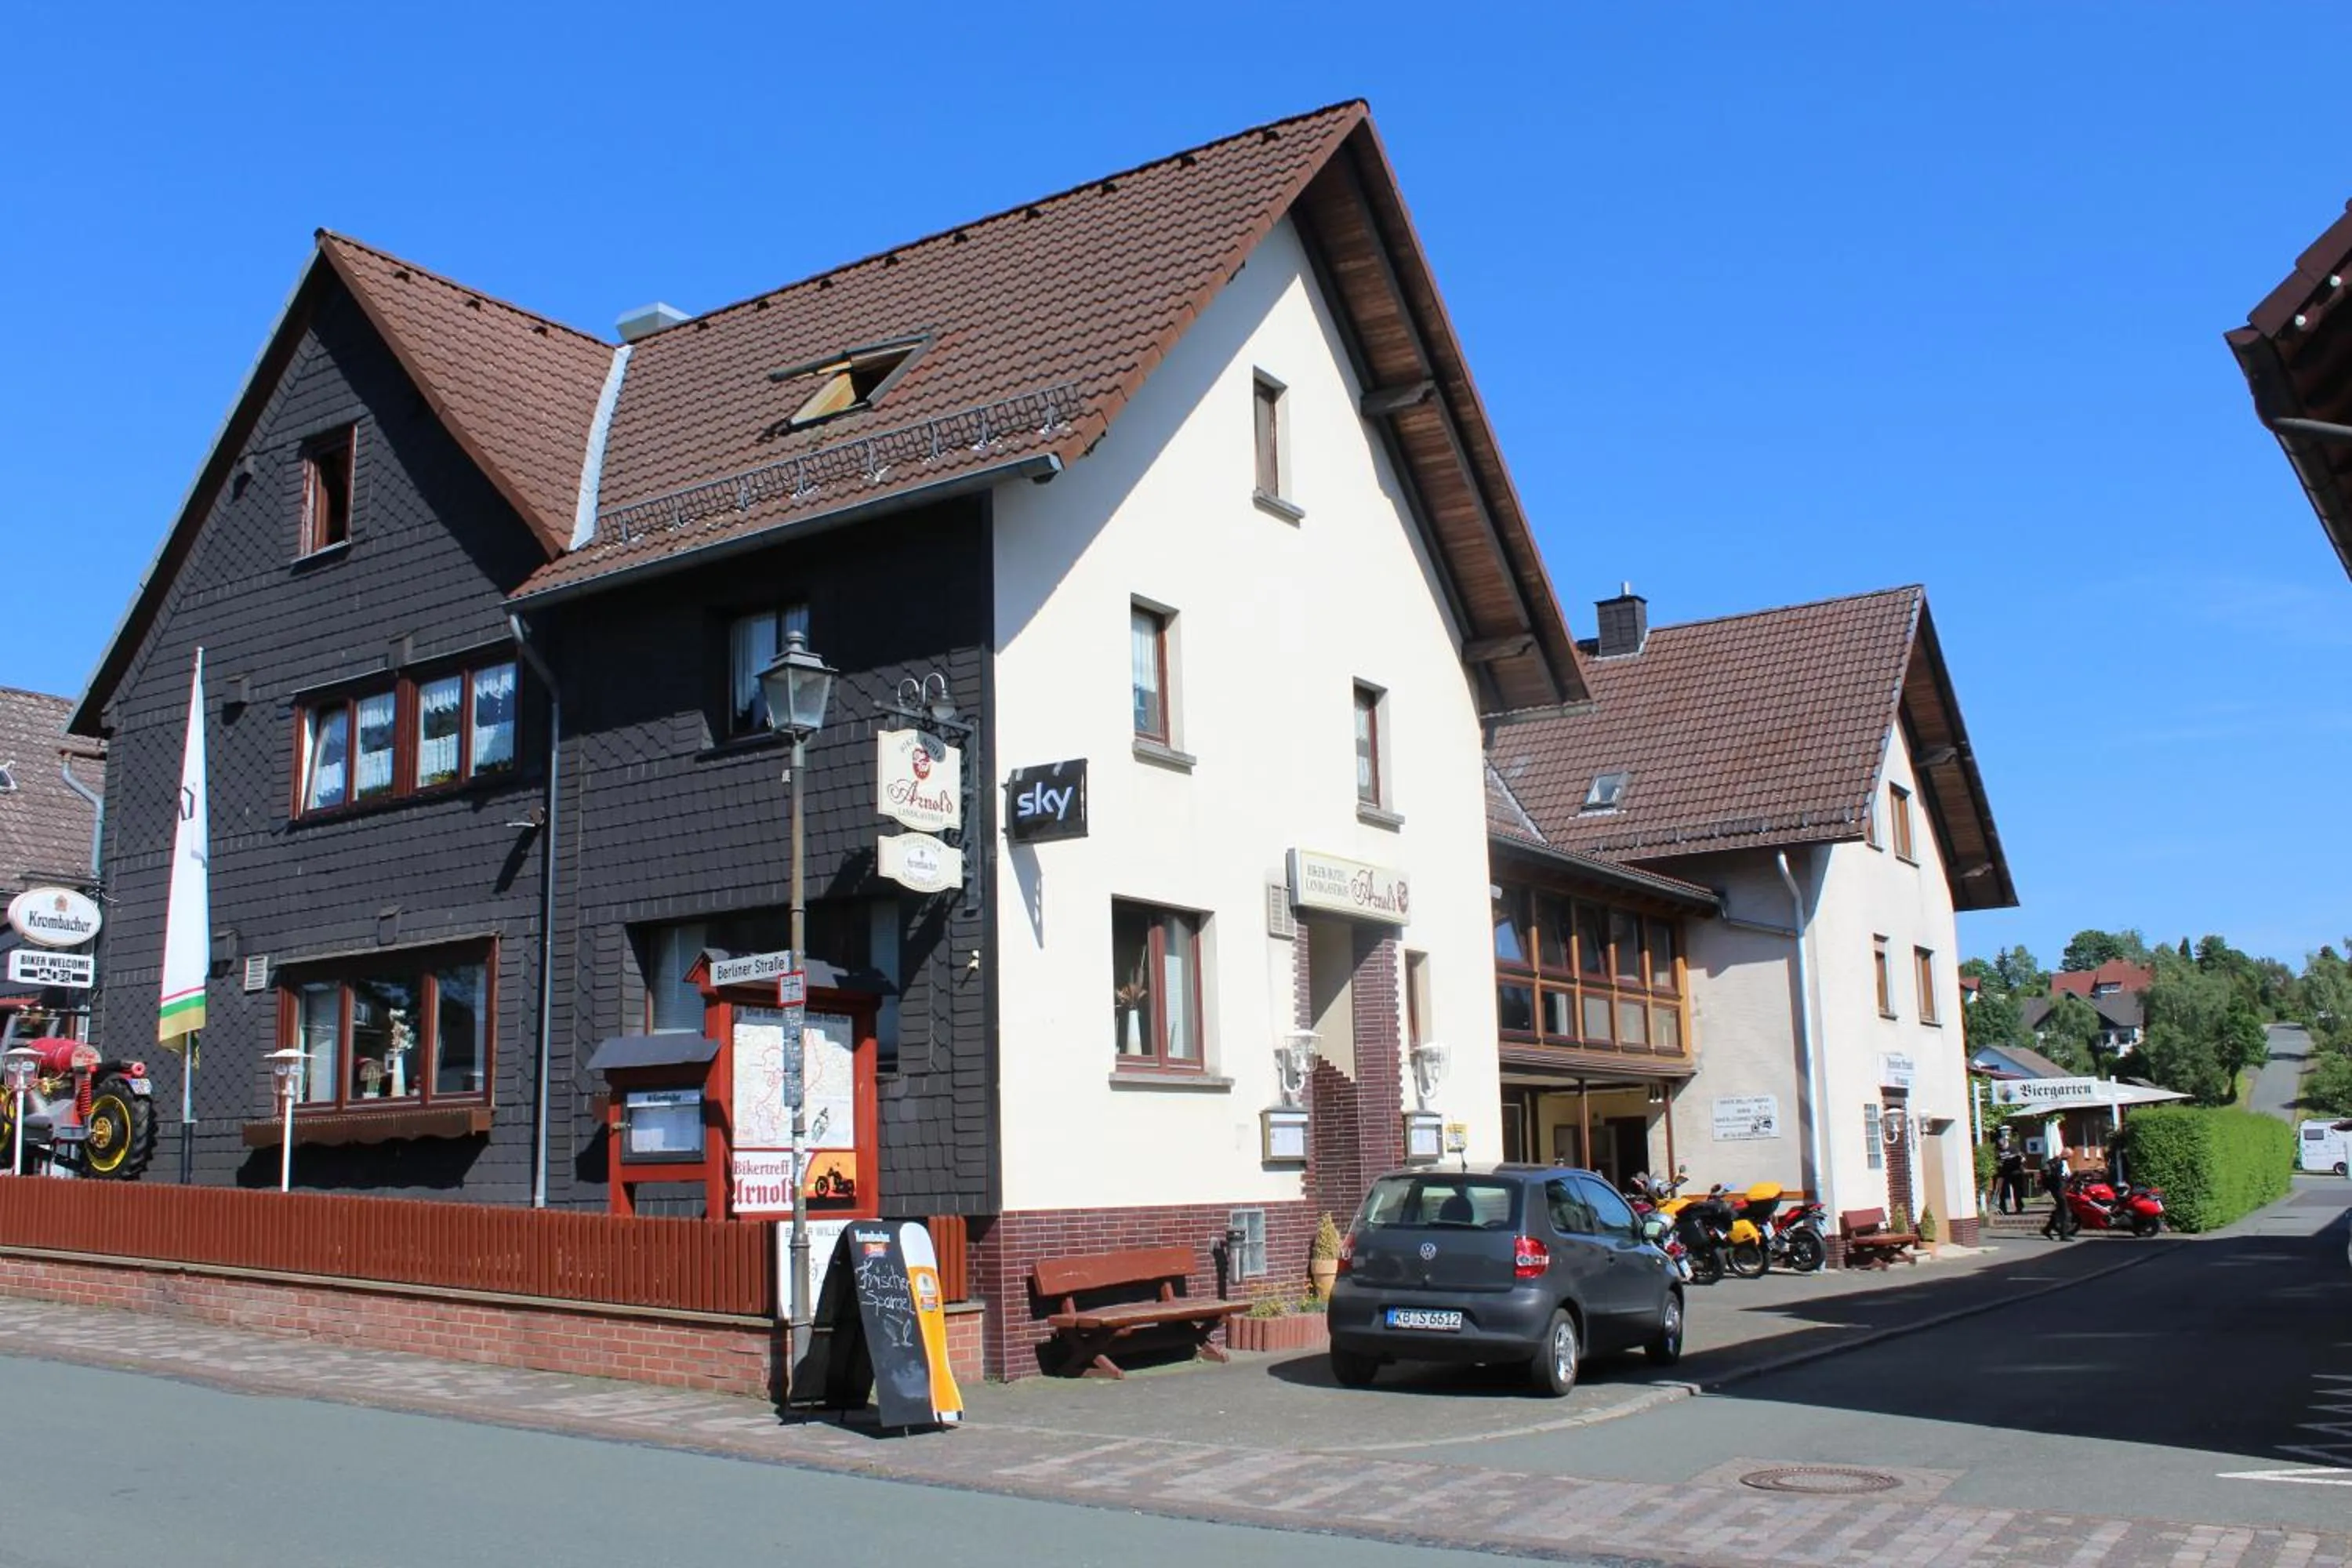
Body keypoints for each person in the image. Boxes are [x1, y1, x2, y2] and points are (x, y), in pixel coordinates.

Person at [2038, 1145, 2074, 1240]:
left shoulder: (2053, 1161)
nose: (2069, 1159)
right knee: (2065, 1212)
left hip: (2055, 1189)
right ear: (2065, 1154)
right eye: (2069, 1156)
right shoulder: (2058, 1163)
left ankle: (2047, 1230)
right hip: (2058, 1190)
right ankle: (2064, 1235)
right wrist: (2067, 1179)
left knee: (2058, 1211)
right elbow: (2057, 1178)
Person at [1995, 1129, 2027, 1214]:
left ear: (2007, 1143)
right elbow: (1997, 1161)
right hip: (2005, 1173)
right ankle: (2003, 1209)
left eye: (2004, 1146)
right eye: (2001, 1147)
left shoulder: (2014, 1148)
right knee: (2002, 1192)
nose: (2002, 1148)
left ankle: (2019, 1208)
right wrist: (1999, 1164)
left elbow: (2023, 1158)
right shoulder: (1998, 1150)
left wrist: (2021, 1159)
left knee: (2018, 1191)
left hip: (2016, 1173)